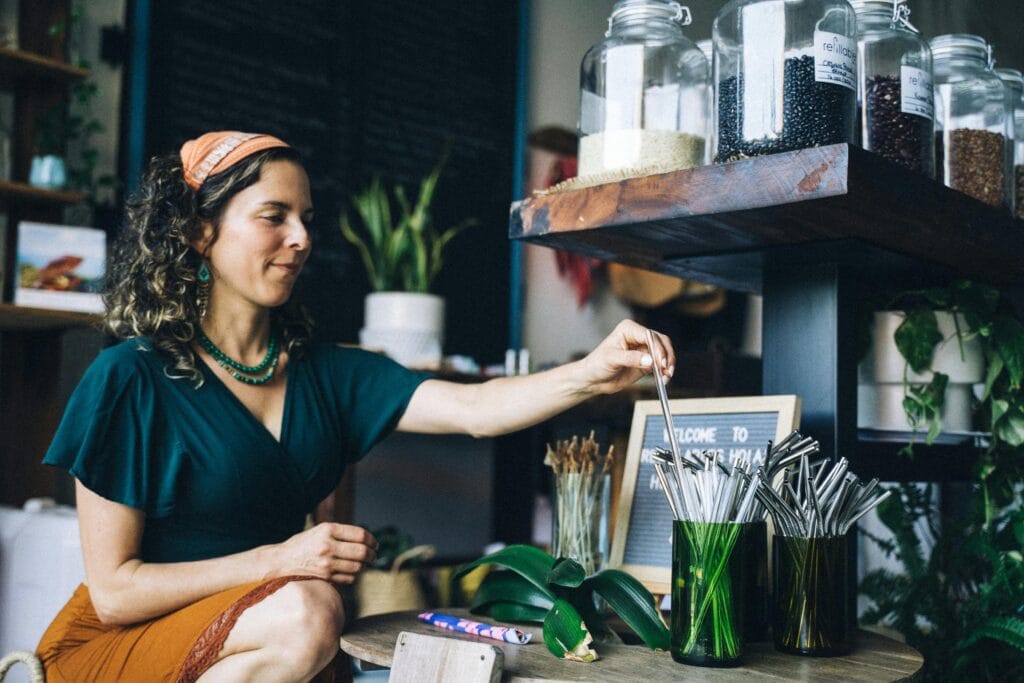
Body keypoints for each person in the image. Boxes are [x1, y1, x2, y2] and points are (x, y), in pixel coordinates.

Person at [35, 131, 676, 683]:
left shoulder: (328, 373)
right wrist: (281, 560)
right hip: (126, 648)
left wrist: (594, 373)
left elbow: (475, 409)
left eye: (306, 218)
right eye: (273, 215)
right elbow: (116, 593)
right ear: (203, 232)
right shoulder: (130, 377)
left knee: (309, 618)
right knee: (311, 611)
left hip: (265, 647)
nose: (301, 238)